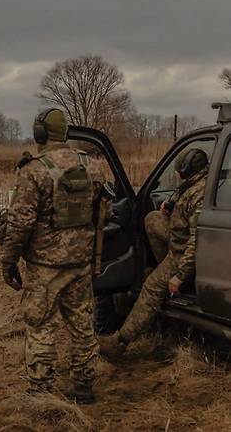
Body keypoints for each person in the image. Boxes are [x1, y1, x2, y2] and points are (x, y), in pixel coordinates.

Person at [1, 108, 104, 404]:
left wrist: (8, 261)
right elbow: (97, 210)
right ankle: (84, 387)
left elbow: (20, 223)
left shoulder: (34, 170)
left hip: (45, 266)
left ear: (40, 134)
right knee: (82, 327)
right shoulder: (92, 166)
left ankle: (41, 393)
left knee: (41, 326)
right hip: (80, 263)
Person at [99, 148, 209, 358]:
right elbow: (184, 205)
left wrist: (179, 274)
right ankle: (165, 267)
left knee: (150, 287)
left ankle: (120, 342)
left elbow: (197, 242)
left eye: (179, 170)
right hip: (180, 241)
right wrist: (171, 205)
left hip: (184, 253)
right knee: (152, 219)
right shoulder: (197, 184)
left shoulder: (199, 195)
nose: (177, 174)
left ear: (185, 169)